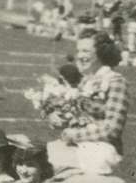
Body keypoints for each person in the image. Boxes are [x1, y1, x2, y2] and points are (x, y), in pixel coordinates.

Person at [49, 28, 128, 174]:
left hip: (101, 150)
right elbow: (77, 117)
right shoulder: (84, 81)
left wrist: (73, 135)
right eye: (79, 51)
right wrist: (59, 118)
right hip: (77, 145)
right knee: (40, 164)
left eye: (86, 51)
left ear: (101, 53)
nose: (79, 56)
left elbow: (112, 129)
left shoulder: (115, 81)